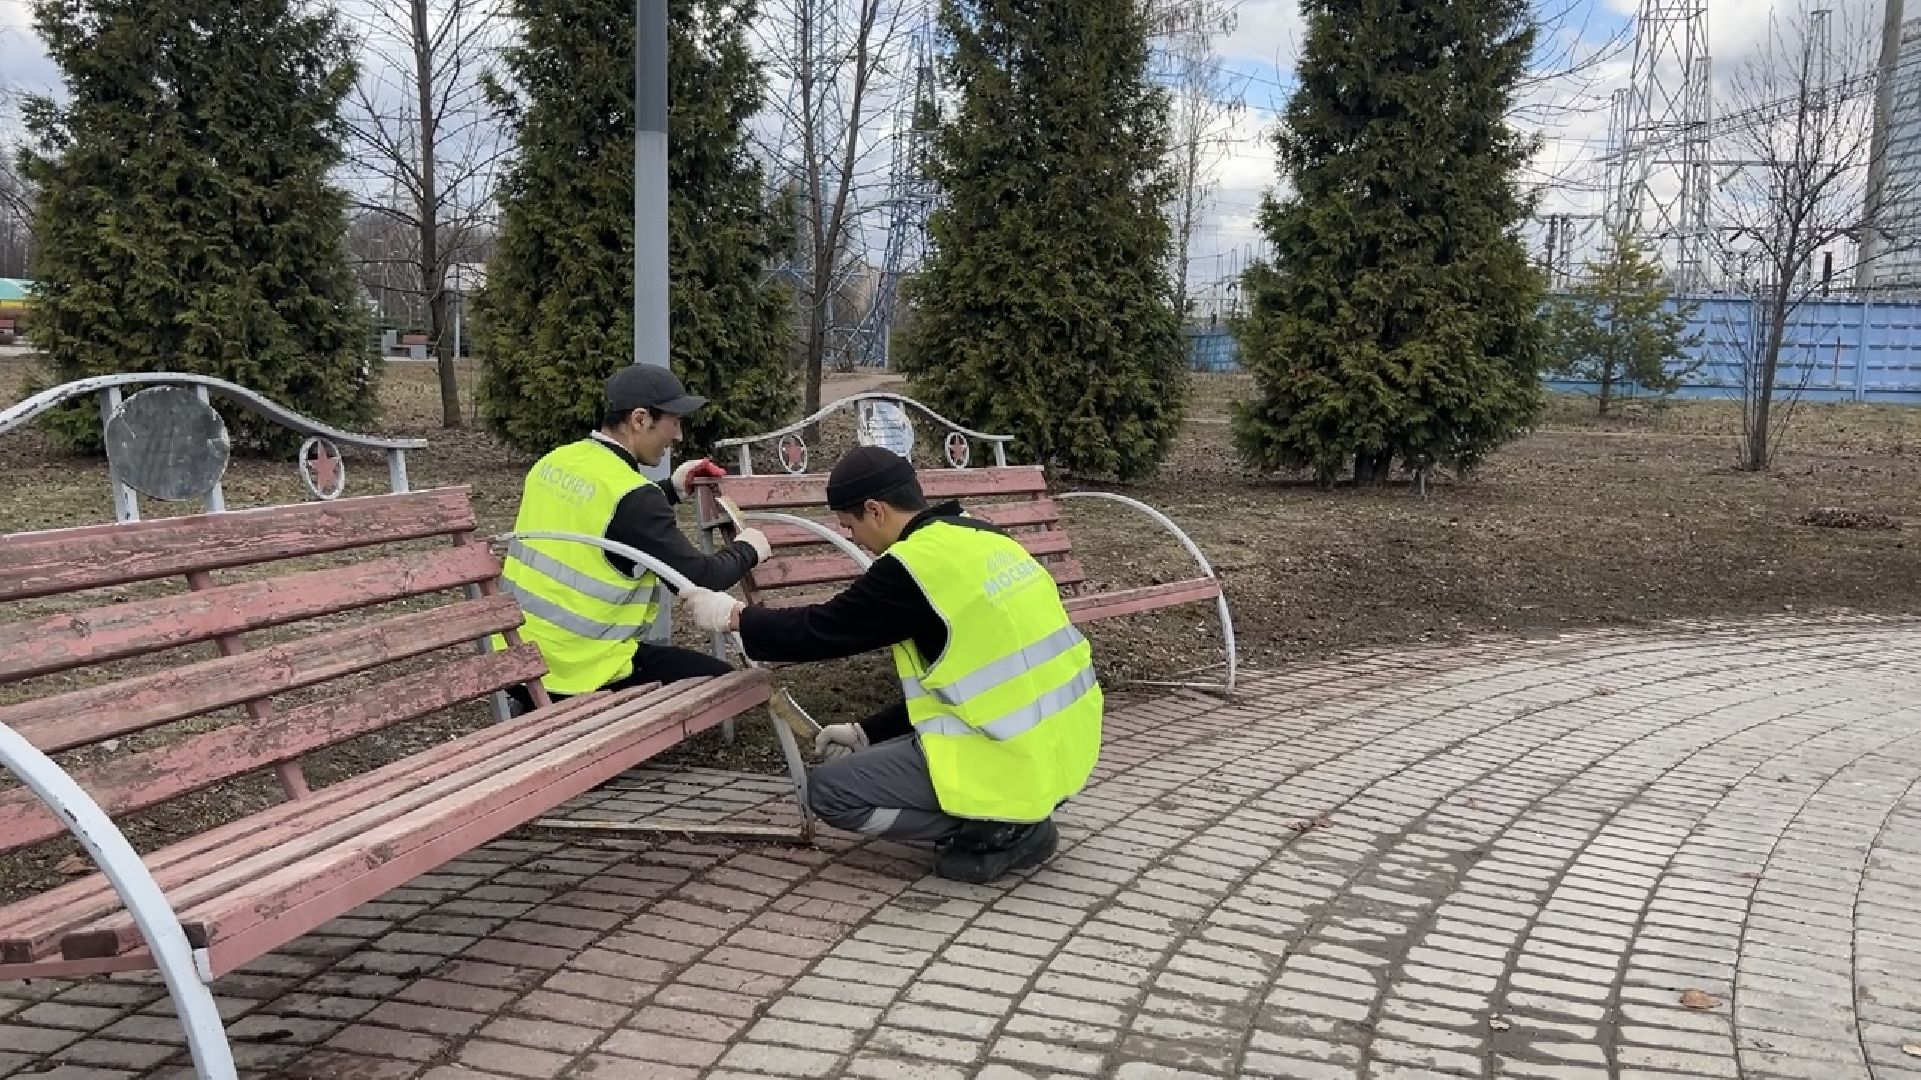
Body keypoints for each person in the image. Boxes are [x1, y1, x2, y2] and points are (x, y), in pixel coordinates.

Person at [676, 446, 1102, 883]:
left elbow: (824, 628)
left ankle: (997, 826)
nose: (855, 540)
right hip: (1064, 749)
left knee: (830, 792)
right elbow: (973, 684)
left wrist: (735, 617)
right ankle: (1019, 815)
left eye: (851, 526)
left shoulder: (914, 567)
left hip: (1003, 757)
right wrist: (869, 732)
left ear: (875, 511)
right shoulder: (988, 540)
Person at [499, 364, 772, 708]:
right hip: (582, 670)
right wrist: (749, 548)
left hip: (517, 659)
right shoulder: (633, 498)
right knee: (728, 682)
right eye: (674, 422)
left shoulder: (554, 463)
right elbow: (701, 579)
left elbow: (602, 517)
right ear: (640, 420)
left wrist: (670, 489)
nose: (678, 437)